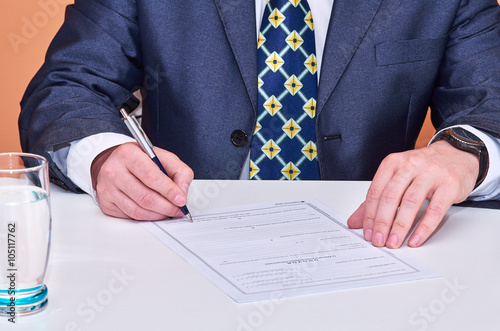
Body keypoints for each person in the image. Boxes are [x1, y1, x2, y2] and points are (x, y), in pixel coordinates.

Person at [19, 0, 500, 249]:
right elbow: (66, 87)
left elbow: (491, 100)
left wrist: (463, 152)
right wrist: (105, 157)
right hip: (176, 245)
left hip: (376, 248)